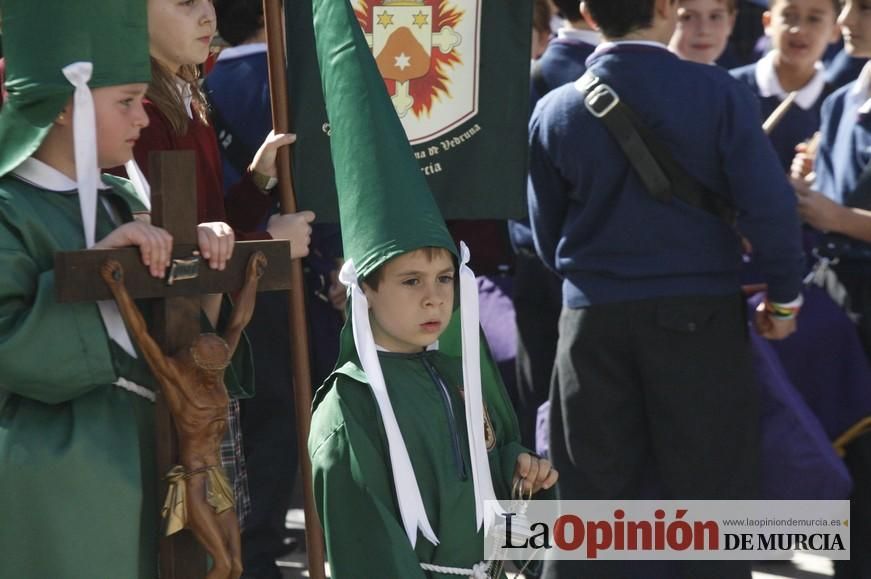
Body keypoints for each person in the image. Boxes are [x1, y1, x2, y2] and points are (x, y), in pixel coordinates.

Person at [528, 1, 805, 577]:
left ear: (585, 10)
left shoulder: (553, 109)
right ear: (665, 8)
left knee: (593, 515)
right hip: (698, 319)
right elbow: (770, 208)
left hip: (592, 322)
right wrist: (784, 298)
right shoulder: (717, 92)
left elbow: (544, 234)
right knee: (710, 512)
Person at [306, 0, 556, 575]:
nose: (434, 297)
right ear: (363, 289)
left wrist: (524, 473)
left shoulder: (463, 366)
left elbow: (500, 503)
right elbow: (369, 552)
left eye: (446, 278)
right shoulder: (351, 410)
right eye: (411, 280)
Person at [0, 0, 209, 575]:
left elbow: (186, 338)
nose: (143, 118)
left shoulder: (125, 202)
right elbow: (9, 346)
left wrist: (207, 256)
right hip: (57, 482)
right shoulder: (8, 211)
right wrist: (96, 271)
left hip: (154, 459)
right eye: (125, 102)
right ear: (67, 107)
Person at [135, 0, 315, 526]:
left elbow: (211, 222)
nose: (207, 15)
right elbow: (169, 251)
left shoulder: (186, 95)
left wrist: (258, 182)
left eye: (208, 1)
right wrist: (264, 243)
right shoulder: (141, 111)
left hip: (202, 346)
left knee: (216, 525)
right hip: (173, 354)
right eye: (186, 3)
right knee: (190, 529)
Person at [205, 1, 344, 576]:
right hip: (294, 276)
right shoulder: (297, 83)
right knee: (297, 421)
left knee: (247, 429)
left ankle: (251, 550)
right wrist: (339, 258)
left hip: (218, 284)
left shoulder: (199, 84)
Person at [790, 3, 871, 575]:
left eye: (864, 7)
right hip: (839, 296)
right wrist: (808, 187)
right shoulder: (843, 98)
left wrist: (836, 216)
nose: (847, 17)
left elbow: (840, 214)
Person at [511, 0, 601, 448]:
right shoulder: (596, 71)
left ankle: (538, 512)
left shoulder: (534, 72)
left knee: (542, 401)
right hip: (595, 267)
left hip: (536, 254)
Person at [730, 0, 841, 170]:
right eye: (788, 16)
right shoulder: (729, 88)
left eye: (813, 19)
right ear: (767, 22)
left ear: (835, 30)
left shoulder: (839, 106)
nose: (799, 29)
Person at [668, 0, 737, 64]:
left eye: (714, 17)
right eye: (687, 17)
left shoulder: (724, 76)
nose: (704, 30)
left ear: (730, 23)